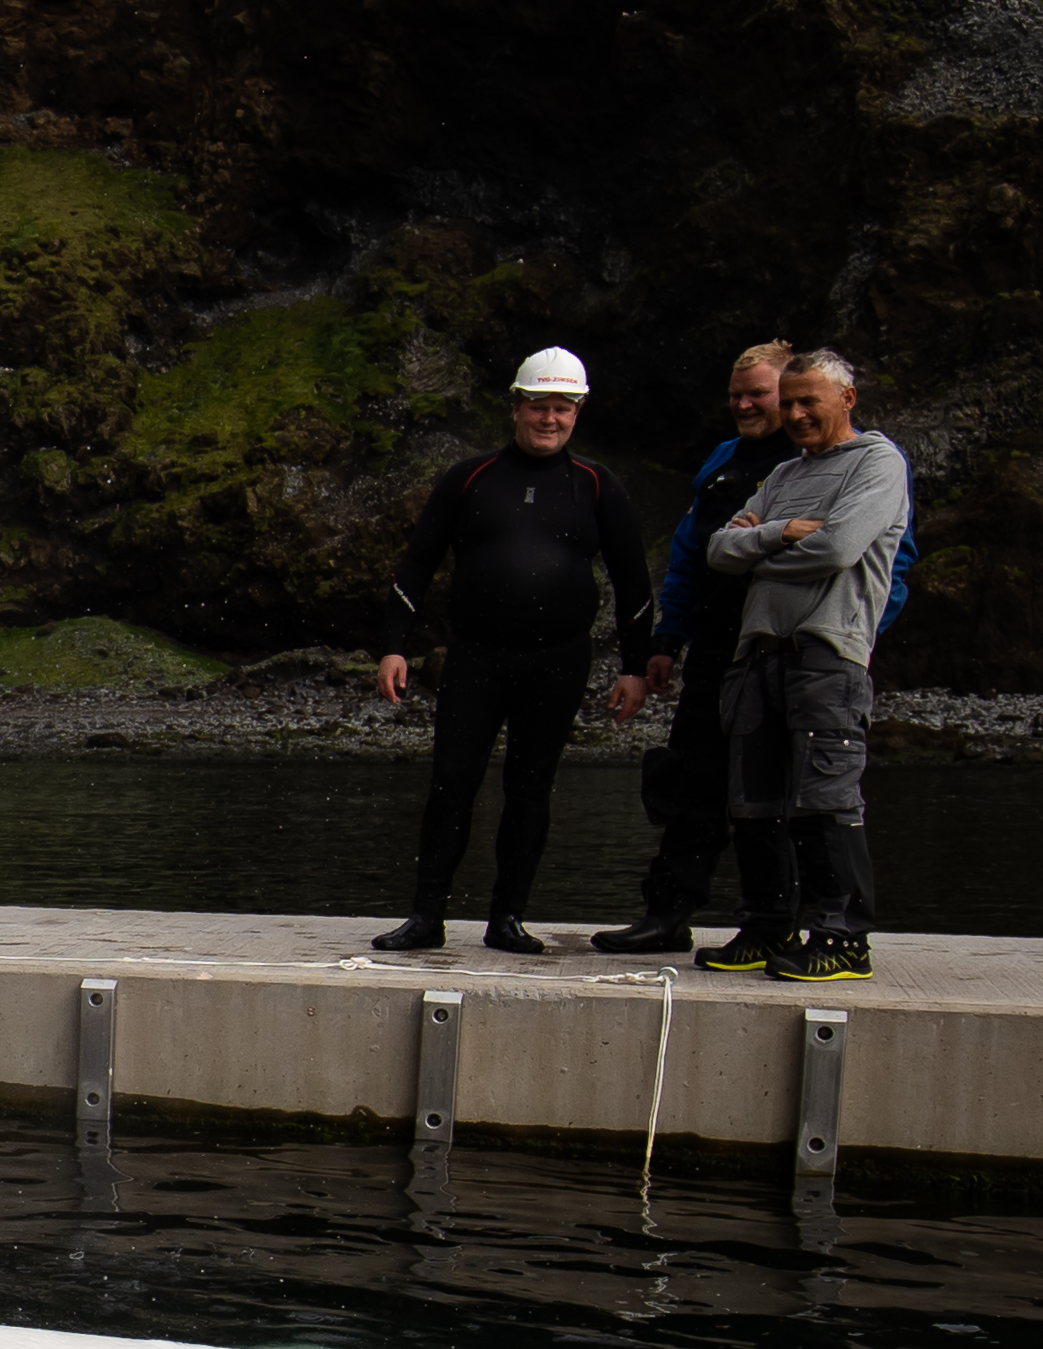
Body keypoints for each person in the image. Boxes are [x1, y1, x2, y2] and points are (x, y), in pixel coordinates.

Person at [369, 348, 652, 955]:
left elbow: (633, 583)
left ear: (576, 412)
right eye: (538, 407)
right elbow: (416, 565)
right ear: (516, 407)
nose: (549, 419)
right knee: (452, 781)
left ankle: (508, 918)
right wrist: (394, 647)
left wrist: (634, 666)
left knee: (531, 786)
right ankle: (426, 916)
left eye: (562, 409)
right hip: (476, 656)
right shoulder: (470, 477)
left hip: (557, 660)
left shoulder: (597, 485)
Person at [699, 349, 914, 982]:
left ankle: (844, 938)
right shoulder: (786, 473)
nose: (793, 414)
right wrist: (778, 532)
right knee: (754, 802)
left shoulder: (878, 462)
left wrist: (761, 547)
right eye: (786, 402)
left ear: (846, 399)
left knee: (825, 799)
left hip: (827, 654)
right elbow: (718, 548)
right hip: (757, 654)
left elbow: (839, 547)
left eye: (806, 402)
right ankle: (768, 925)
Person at [593, 341, 800, 952]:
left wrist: (861, 635)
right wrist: (667, 637)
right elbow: (687, 553)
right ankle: (667, 915)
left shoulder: (827, 463)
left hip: (787, 649)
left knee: (773, 794)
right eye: (736, 394)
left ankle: (774, 924)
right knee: (690, 784)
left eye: (757, 393)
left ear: (790, 393)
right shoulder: (723, 460)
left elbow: (886, 565)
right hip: (715, 647)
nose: (743, 404)